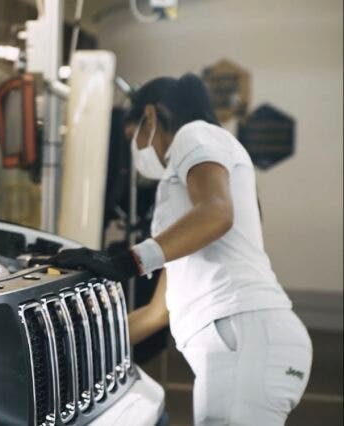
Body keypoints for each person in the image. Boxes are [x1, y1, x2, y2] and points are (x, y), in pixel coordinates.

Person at [49, 73, 312, 425]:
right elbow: (160, 311)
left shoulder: (196, 133)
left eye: (135, 136)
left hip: (247, 339)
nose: (138, 148)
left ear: (152, 117)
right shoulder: (178, 202)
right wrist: (79, 348)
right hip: (241, 347)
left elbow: (217, 213)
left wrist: (127, 261)